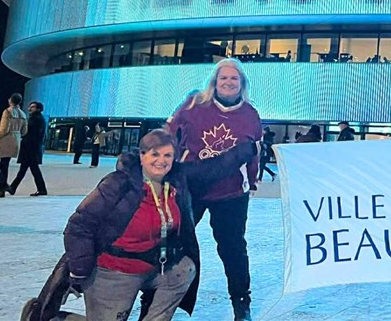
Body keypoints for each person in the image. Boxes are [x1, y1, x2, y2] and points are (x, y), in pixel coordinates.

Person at [62, 129, 256, 320]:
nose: (161, 161)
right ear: (142, 155)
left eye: (167, 155)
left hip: (155, 267)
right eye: (155, 154)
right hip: (116, 271)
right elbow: (79, 226)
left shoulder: (175, 179)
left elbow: (212, 168)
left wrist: (245, 150)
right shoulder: (119, 183)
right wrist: (80, 271)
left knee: (184, 269)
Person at [167, 58, 262, 320]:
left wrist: (250, 182)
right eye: (224, 78)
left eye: (234, 78)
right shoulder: (194, 105)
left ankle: (241, 302)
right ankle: (155, 298)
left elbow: (254, 153)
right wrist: (165, 168)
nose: (229, 82)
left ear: (242, 83)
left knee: (233, 248)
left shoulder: (250, 115)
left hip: (231, 193)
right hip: (191, 188)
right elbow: (168, 134)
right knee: (172, 242)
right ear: (214, 81)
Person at [10, 101, 48, 196]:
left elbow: (26, 131)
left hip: (30, 150)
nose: (30, 109)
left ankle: (41, 190)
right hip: (31, 150)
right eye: (30, 106)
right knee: (27, 170)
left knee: (31, 170)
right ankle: (13, 187)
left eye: (33, 107)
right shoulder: (38, 119)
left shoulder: (35, 119)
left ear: (38, 109)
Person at [0, 93, 28, 197]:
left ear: (10, 100)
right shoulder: (23, 114)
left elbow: (4, 129)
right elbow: (24, 131)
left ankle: (3, 184)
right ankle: (1, 191)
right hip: (15, 141)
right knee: (4, 165)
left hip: (5, 140)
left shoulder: (8, 112)